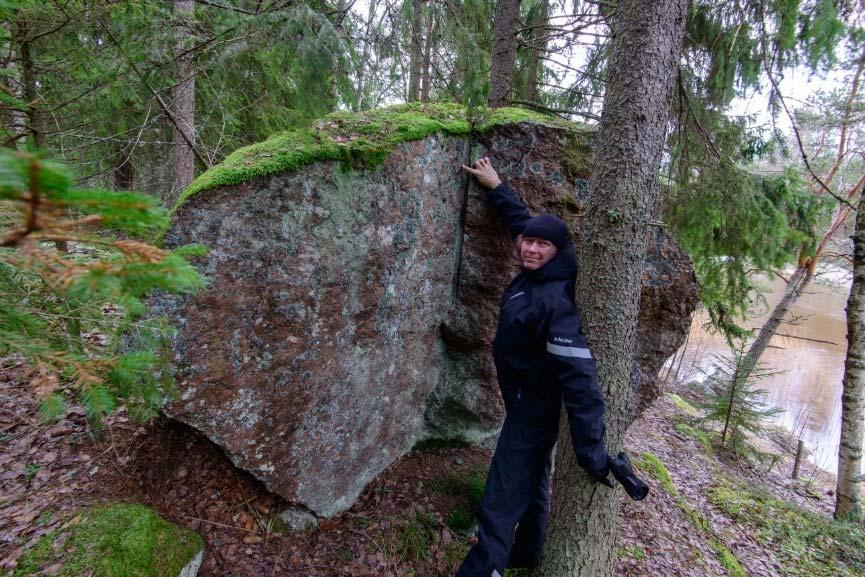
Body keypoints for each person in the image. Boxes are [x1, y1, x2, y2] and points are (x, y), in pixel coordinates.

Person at [456, 157, 613, 577]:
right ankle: (528, 551)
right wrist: (496, 185)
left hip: (533, 409)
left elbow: (581, 381)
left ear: (558, 252)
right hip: (524, 400)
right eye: (528, 242)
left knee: (501, 495)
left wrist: (592, 451)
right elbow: (522, 222)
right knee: (535, 476)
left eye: (542, 245)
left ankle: (483, 568)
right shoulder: (537, 264)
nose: (530, 247)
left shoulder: (555, 301)